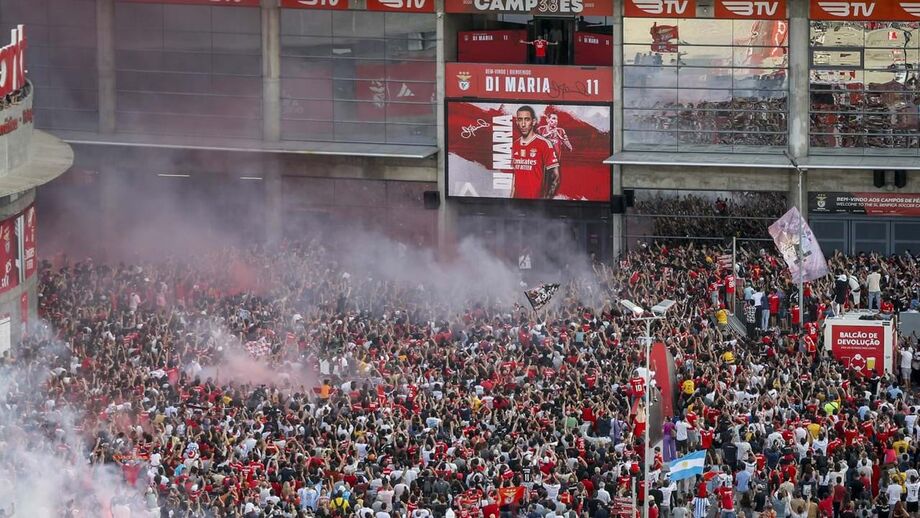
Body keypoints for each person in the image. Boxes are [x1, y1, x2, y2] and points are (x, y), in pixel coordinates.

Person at [511, 105, 560, 199]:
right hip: (517, 202)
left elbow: (555, 177)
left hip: (536, 202)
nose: (523, 124)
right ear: (517, 122)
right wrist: (511, 199)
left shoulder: (544, 144)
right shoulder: (515, 144)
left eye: (527, 119)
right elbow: (515, 176)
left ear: (533, 122)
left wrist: (545, 202)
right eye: (520, 120)